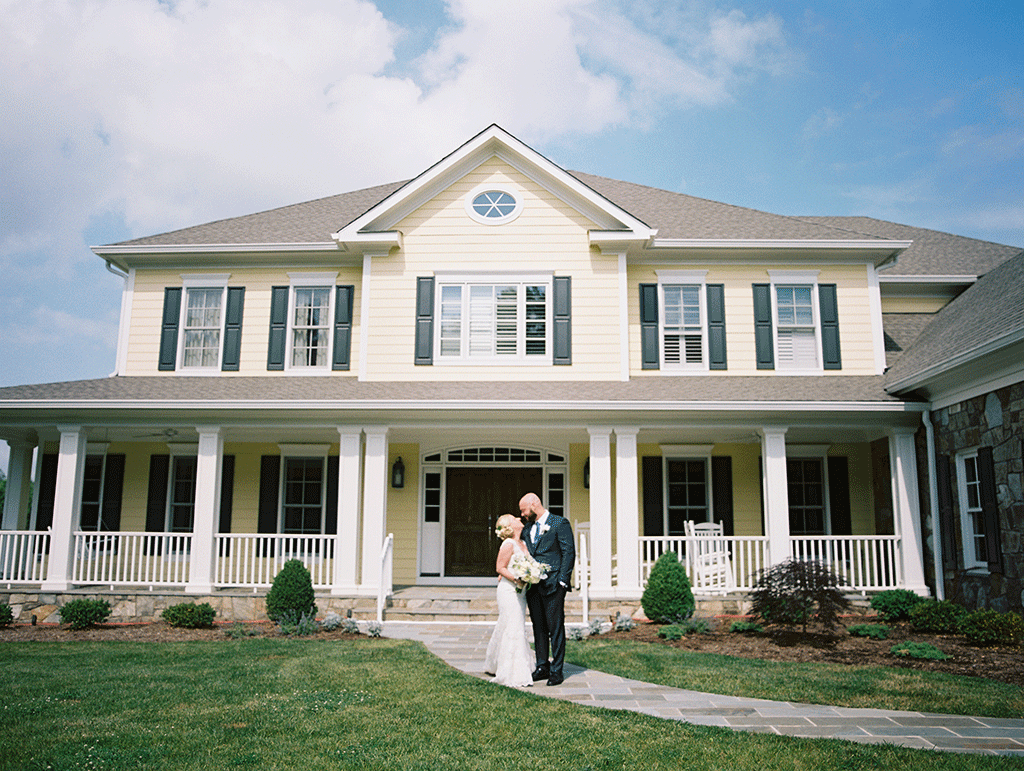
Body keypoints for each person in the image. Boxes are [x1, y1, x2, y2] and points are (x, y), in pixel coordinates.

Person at [519, 492, 575, 686]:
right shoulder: (527, 529)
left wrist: (562, 581)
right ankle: (542, 666)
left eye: (524, 510)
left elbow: (568, 552)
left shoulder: (560, 523)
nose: (523, 515)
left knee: (555, 628)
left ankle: (557, 670)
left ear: (534, 504)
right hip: (533, 586)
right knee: (538, 627)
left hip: (553, 585)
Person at [482, 513, 535, 687]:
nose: (519, 519)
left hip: (521, 592)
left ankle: (496, 663)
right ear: (509, 526)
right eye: (514, 518)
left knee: (511, 624)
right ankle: (511, 671)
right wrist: (516, 579)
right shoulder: (508, 543)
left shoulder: (523, 543)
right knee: (514, 626)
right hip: (509, 590)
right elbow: (499, 567)